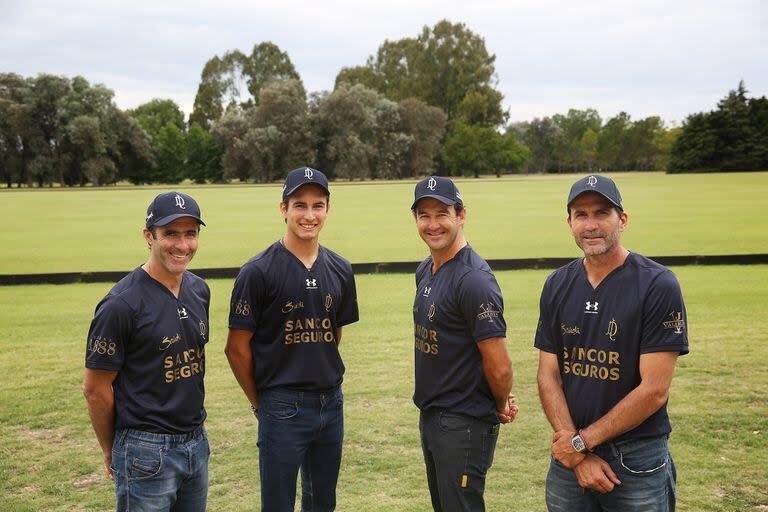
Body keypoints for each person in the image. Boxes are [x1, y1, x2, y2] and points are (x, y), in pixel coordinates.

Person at [535, 174, 689, 511]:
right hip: (569, 459)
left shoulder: (657, 284)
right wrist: (577, 454)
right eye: (581, 215)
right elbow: (549, 375)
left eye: (602, 213)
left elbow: (654, 390)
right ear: (569, 223)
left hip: (636, 457)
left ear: (623, 219)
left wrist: (579, 443)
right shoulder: (557, 285)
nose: (591, 225)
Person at [225, 166, 359, 512]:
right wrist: (262, 402)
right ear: (283, 209)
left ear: (328, 209)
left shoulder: (341, 269)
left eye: (318, 205)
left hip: (332, 402)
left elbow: (334, 332)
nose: (309, 215)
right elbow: (236, 349)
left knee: (322, 502)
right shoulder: (257, 271)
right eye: (300, 205)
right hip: (281, 404)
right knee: (278, 503)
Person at [83, 191, 210, 512]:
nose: (182, 245)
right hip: (145, 449)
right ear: (148, 236)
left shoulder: (199, 289)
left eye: (190, 234)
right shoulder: (120, 304)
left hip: (196, 441)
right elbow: (96, 389)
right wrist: (113, 448)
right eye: (170, 234)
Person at [411, 176, 517, 512]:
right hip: (433, 416)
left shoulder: (474, 281)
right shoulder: (425, 270)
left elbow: (499, 366)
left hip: (463, 422)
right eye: (424, 215)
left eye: (442, 213)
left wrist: (499, 401)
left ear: (461, 215)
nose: (432, 224)